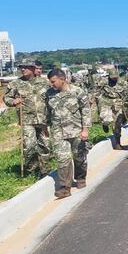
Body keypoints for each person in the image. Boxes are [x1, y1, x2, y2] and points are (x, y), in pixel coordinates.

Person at [45, 69, 91, 199]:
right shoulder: (49, 94)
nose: (51, 84)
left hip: (76, 130)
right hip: (58, 131)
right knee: (63, 159)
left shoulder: (77, 92)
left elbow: (86, 111)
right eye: (50, 82)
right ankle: (65, 187)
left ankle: (81, 178)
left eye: (53, 81)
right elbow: (48, 111)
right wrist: (45, 127)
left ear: (62, 79)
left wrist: (85, 129)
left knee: (79, 157)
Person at [3, 63, 52, 176]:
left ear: (33, 69)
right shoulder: (15, 84)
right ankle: (31, 169)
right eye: (21, 67)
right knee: (29, 146)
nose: (23, 69)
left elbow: (53, 95)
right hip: (27, 120)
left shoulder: (44, 83)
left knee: (45, 145)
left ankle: (44, 170)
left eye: (26, 67)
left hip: (43, 119)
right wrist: (13, 101)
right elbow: (6, 98)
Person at [94, 69, 128, 149]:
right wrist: (96, 98)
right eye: (112, 77)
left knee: (117, 125)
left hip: (117, 104)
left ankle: (118, 143)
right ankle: (105, 124)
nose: (114, 79)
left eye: (116, 77)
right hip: (106, 103)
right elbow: (96, 91)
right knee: (106, 120)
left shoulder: (122, 82)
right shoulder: (104, 81)